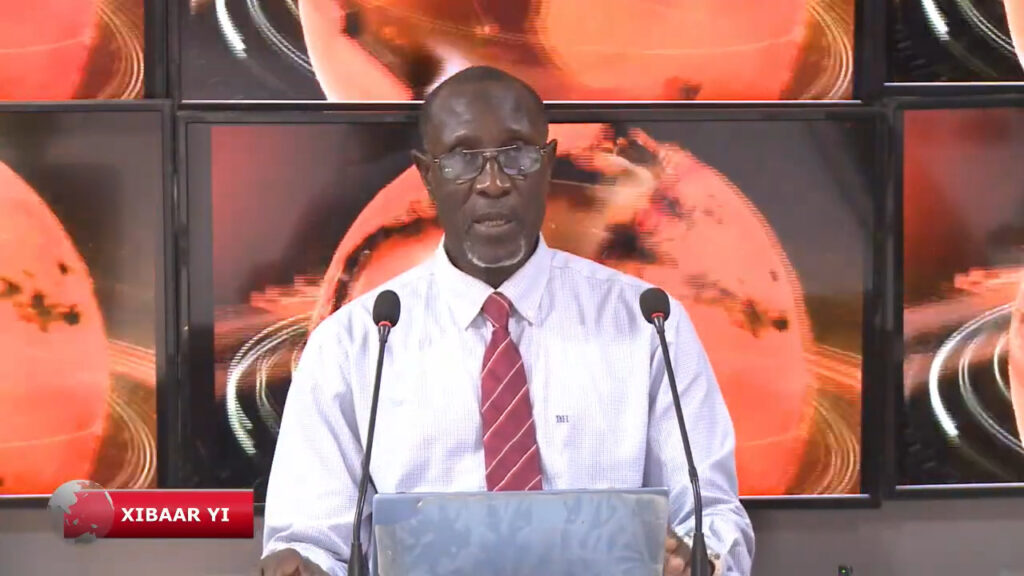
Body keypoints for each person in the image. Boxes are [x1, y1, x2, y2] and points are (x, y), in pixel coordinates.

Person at [260, 66, 755, 576]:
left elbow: (714, 519)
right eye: (462, 158)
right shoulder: (355, 343)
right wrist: (300, 565)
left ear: (547, 164)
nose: (493, 182)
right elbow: (310, 541)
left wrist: (700, 561)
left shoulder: (648, 324)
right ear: (427, 175)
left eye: (517, 154)